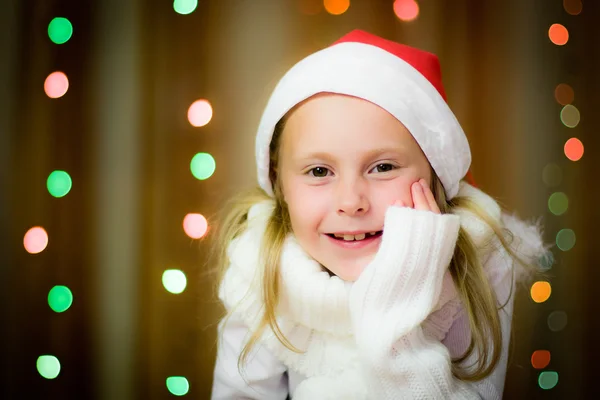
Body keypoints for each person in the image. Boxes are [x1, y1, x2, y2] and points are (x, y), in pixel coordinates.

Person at [209, 29, 547, 399]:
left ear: (437, 173)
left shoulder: (479, 263)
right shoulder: (260, 268)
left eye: (383, 167)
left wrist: (397, 309)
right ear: (280, 186)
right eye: (319, 171)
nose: (351, 201)